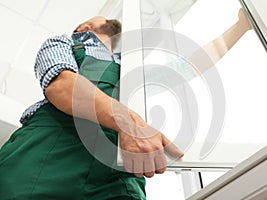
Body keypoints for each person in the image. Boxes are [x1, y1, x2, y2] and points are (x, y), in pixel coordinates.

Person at [0, 9, 252, 200]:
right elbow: (62, 86)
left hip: (117, 178)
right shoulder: (65, 43)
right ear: (84, 27)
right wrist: (130, 124)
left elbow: (191, 65)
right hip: (47, 158)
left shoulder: (132, 69)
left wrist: (241, 26)